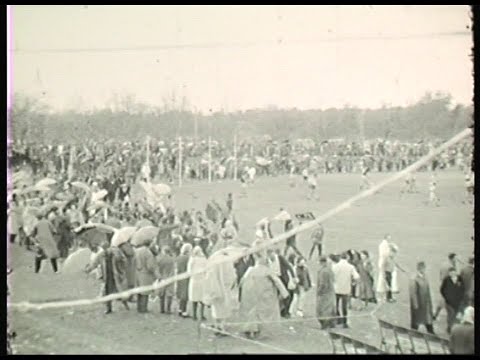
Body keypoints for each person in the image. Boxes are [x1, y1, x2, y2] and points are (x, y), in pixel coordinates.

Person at [238, 248, 289, 339]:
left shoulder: (251, 270)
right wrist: (284, 293)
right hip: (263, 294)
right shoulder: (266, 270)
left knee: (252, 312)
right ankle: (256, 330)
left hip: (252, 294)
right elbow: (277, 281)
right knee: (261, 313)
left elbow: (241, 282)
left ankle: (251, 330)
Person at [85, 236, 130, 314]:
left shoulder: (116, 252)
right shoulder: (101, 255)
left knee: (120, 291)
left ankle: (125, 304)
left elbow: (124, 260)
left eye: (106, 248)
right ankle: (109, 308)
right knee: (107, 293)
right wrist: (88, 269)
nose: (105, 250)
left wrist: (122, 267)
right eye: (104, 248)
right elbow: (95, 263)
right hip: (107, 277)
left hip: (117, 276)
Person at [332, 253, 360, 328]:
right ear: (347, 258)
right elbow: (357, 277)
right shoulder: (350, 267)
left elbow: (332, 276)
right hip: (346, 289)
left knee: (336, 305)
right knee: (344, 307)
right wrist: (353, 283)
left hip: (336, 288)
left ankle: (338, 319)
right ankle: (345, 322)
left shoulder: (335, 266)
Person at [266, 248, 296, 318]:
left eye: (272, 254)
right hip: (274, 279)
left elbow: (289, 267)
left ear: (274, 253)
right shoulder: (267, 261)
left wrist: (293, 277)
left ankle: (285, 312)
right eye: (269, 255)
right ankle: (277, 311)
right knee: (275, 296)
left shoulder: (280, 258)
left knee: (288, 295)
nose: (271, 257)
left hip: (283, 278)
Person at [409, 261, 435, 334]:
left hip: (425, 302)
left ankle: (430, 330)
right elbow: (413, 293)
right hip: (419, 302)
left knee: (427, 317)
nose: (424, 270)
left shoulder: (425, 277)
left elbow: (428, 289)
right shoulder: (414, 279)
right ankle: (414, 331)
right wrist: (415, 305)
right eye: (422, 268)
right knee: (417, 319)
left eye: (424, 268)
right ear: (419, 269)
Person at [134, 237, 159, 314]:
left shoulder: (136, 251)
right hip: (145, 273)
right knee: (145, 292)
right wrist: (154, 272)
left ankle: (138, 307)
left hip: (137, 272)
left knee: (139, 291)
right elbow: (150, 266)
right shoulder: (148, 253)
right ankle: (143, 308)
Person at [433, 253, 459, 320]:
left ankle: (435, 315)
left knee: (441, 301)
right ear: (452, 258)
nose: (456, 259)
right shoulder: (451, 267)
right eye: (455, 258)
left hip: (443, 284)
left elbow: (440, 274)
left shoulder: (444, 264)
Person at [440, 267, 465, 334]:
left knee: (455, 316)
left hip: (457, 302)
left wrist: (460, 297)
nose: (452, 274)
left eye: (454, 272)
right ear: (449, 273)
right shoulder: (446, 279)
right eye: (451, 273)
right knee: (450, 315)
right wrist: (446, 297)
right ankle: (450, 329)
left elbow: (462, 289)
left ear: (456, 272)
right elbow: (442, 289)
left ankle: (451, 328)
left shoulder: (460, 279)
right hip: (449, 302)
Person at [187, 246, 208, 321]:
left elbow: (189, 271)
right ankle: (201, 314)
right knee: (202, 299)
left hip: (194, 280)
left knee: (194, 298)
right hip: (202, 280)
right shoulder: (204, 259)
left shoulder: (192, 259)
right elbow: (207, 270)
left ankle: (194, 315)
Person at [316, 256, 336, 329]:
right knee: (330, 308)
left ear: (322, 262)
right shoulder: (329, 270)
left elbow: (323, 284)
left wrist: (319, 291)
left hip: (324, 293)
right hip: (330, 292)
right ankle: (331, 323)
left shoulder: (322, 271)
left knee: (321, 309)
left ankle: (324, 324)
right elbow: (334, 279)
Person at [156, 245, 175, 314]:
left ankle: (162, 309)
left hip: (161, 277)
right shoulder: (171, 259)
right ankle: (168, 309)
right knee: (169, 294)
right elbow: (173, 269)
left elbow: (157, 269)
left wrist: (159, 277)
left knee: (161, 294)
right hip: (169, 277)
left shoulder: (158, 258)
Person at [175, 243, 192, 318]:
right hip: (186, 277)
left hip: (179, 276)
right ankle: (184, 311)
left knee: (181, 294)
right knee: (185, 295)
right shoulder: (188, 258)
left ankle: (180, 309)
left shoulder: (179, 257)